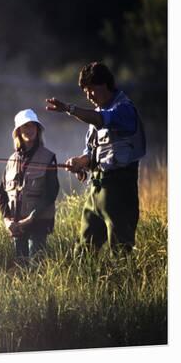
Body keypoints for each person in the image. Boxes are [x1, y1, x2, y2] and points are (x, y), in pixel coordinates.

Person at [46, 62, 146, 252]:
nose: (88, 95)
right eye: (85, 91)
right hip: (96, 190)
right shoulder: (96, 116)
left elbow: (103, 121)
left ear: (106, 85)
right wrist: (79, 163)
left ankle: (121, 282)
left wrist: (69, 108)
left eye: (91, 89)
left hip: (120, 189)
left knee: (120, 250)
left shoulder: (124, 110)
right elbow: (91, 154)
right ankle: (85, 281)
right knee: (84, 249)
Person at [0, 109, 59, 263]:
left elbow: (51, 193)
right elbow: (1, 194)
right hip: (16, 225)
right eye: (26, 126)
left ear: (38, 130)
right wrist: (7, 221)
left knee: (36, 268)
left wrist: (31, 218)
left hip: (38, 225)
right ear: (18, 131)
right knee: (21, 269)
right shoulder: (11, 160)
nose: (30, 130)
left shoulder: (48, 157)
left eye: (33, 126)